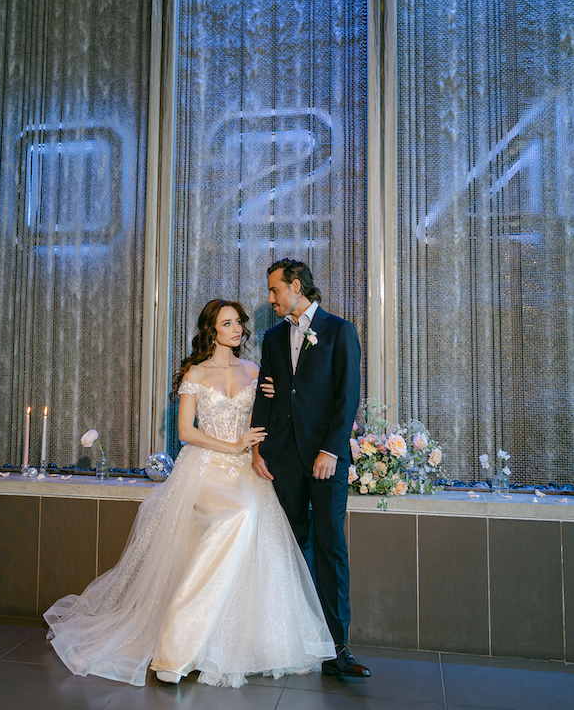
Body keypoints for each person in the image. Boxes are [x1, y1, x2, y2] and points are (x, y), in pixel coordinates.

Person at [44, 299, 335, 689]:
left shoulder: (255, 371)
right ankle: (176, 646)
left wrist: (260, 433)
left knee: (249, 518)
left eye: (239, 323)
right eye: (227, 323)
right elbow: (185, 431)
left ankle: (208, 643)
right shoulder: (194, 373)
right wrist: (231, 446)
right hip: (205, 470)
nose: (237, 329)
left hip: (245, 471)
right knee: (239, 517)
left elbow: (267, 421)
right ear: (211, 330)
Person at [252, 259, 370, 678]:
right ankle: (294, 636)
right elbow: (266, 395)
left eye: (274, 290)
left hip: (325, 460)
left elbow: (347, 398)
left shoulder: (340, 332)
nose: (270, 298)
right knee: (289, 545)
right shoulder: (271, 338)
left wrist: (331, 451)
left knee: (330, 546)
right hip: (283, 458)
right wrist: (257, 449)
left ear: (295, 286)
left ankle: (338, 648)